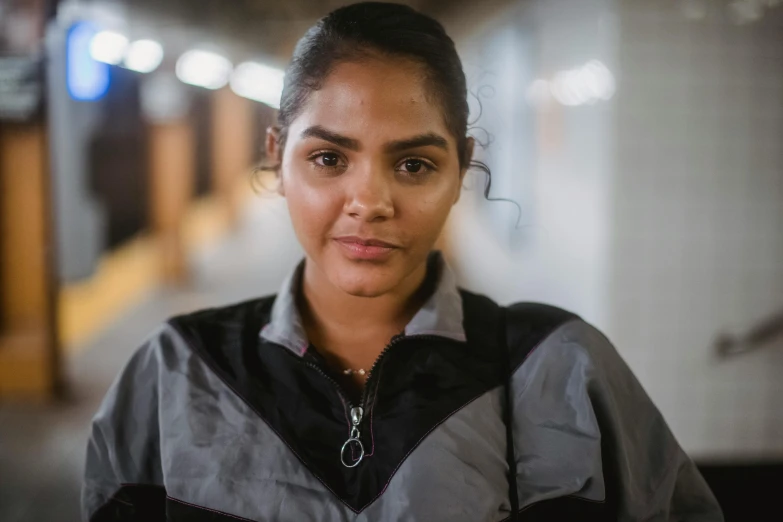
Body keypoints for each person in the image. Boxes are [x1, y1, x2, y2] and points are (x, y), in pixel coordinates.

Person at [82, 3, 723, 521]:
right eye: (329, 159)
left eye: (413, 164)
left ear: (461, 164)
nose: (369, 203)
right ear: (278, 156)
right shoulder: (179, 371)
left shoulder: (559, 369)